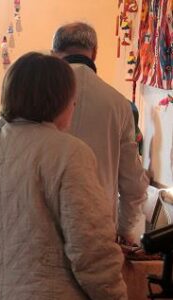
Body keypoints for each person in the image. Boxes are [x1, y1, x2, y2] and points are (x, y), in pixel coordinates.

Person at [0, 52, 127, 299]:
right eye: (72, 100)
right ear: (58, 100)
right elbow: (91, 247)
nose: (73, 106)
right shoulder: (70, 152)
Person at [52, 22, 148, 244]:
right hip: (96, 229)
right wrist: (123, 230)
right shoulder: (119, 103)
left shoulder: (38, 96)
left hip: (44, 227)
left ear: (54, 54)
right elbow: (134, 184)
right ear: (94, 53)